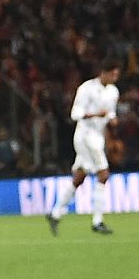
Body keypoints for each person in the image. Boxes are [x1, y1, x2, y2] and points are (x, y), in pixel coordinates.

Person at [48, 58, 120, 235]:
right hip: (85, 136)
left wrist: (112, 121)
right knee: (103, 174)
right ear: (104, 72)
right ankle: (97, 221)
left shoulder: (113, 92)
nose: (116, 77)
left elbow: (110, 115)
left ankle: (55, 213)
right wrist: (95, 114)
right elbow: (75, 114)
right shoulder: (86, 89)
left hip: (98, 137)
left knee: (79, 177)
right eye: (113, 73)